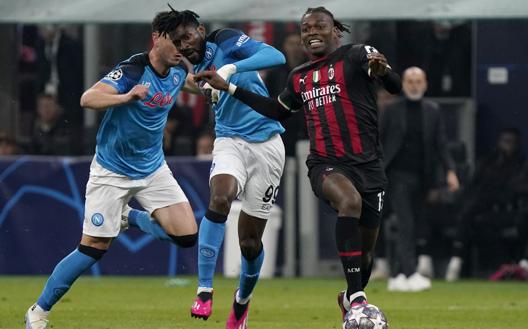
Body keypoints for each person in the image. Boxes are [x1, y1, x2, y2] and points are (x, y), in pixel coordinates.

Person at [194, 6, 401, 322]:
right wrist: (232, 89)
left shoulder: (358, 55)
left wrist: (385, 72)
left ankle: (349, 297)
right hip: (325, 163)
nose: (312, 32)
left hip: (369, 165)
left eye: (319, 26)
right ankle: (359, 299)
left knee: (366, 252)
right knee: (349, 202)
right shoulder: (299, 76)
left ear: (335, 31)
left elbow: (395, 86)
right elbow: (277, 111)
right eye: (306, 29)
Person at [25, 11, 199, 329]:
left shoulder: (177, 71)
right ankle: (38, 311)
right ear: (157, 37)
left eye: (186, 43)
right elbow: (87, 98)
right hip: (112, 171)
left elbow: (187, 84)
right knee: (92, 249)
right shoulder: (133, 70)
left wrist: (215, 88)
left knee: (187, 236)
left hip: (153, 169)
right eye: (176, 41)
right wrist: (127, 96)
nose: (181, 49)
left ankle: (129, 217)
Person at [167, 9, 286, 328]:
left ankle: (241, 303)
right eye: (178, 42)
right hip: (229, 140)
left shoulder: (227, 41)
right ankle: (204, 290)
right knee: (220, 198)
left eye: (187, 36)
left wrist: (232, 67)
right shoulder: (189, 64)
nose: (184, 45)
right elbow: (194, 85)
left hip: (267, 143)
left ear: (201, 30)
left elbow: (276, 56)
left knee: (249, 243)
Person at [380, 66, 459, 291]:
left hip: (422, 177)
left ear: (425, 84)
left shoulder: (433, 110)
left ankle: (397, 275)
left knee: (414, 225)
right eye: (410, 81)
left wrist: (450, 171)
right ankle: (410, 272)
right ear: (403, 84)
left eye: (418, 81)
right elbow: (379, 141)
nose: (414, 85)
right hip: (396, 176)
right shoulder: (391, 110)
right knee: (405, 224)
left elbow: (441, 144)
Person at [445, 127, 525, 281]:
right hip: (480, 209)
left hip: (505, 211)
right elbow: (474, 185)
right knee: (466, 214)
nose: (506, 146)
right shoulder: (489, 161)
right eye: (504, 141)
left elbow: (514, 189)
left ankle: (503, 269)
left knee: (483, 224)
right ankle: (457, 259)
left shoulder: (520, 164)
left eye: (510, 142)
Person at [265, 32, 308, 156]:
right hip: (283, 130)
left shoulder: (311, 69)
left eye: (298, 44)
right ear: (284, 46)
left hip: (307, 131)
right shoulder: (274, 73)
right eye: (291, 44)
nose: (295, 48)